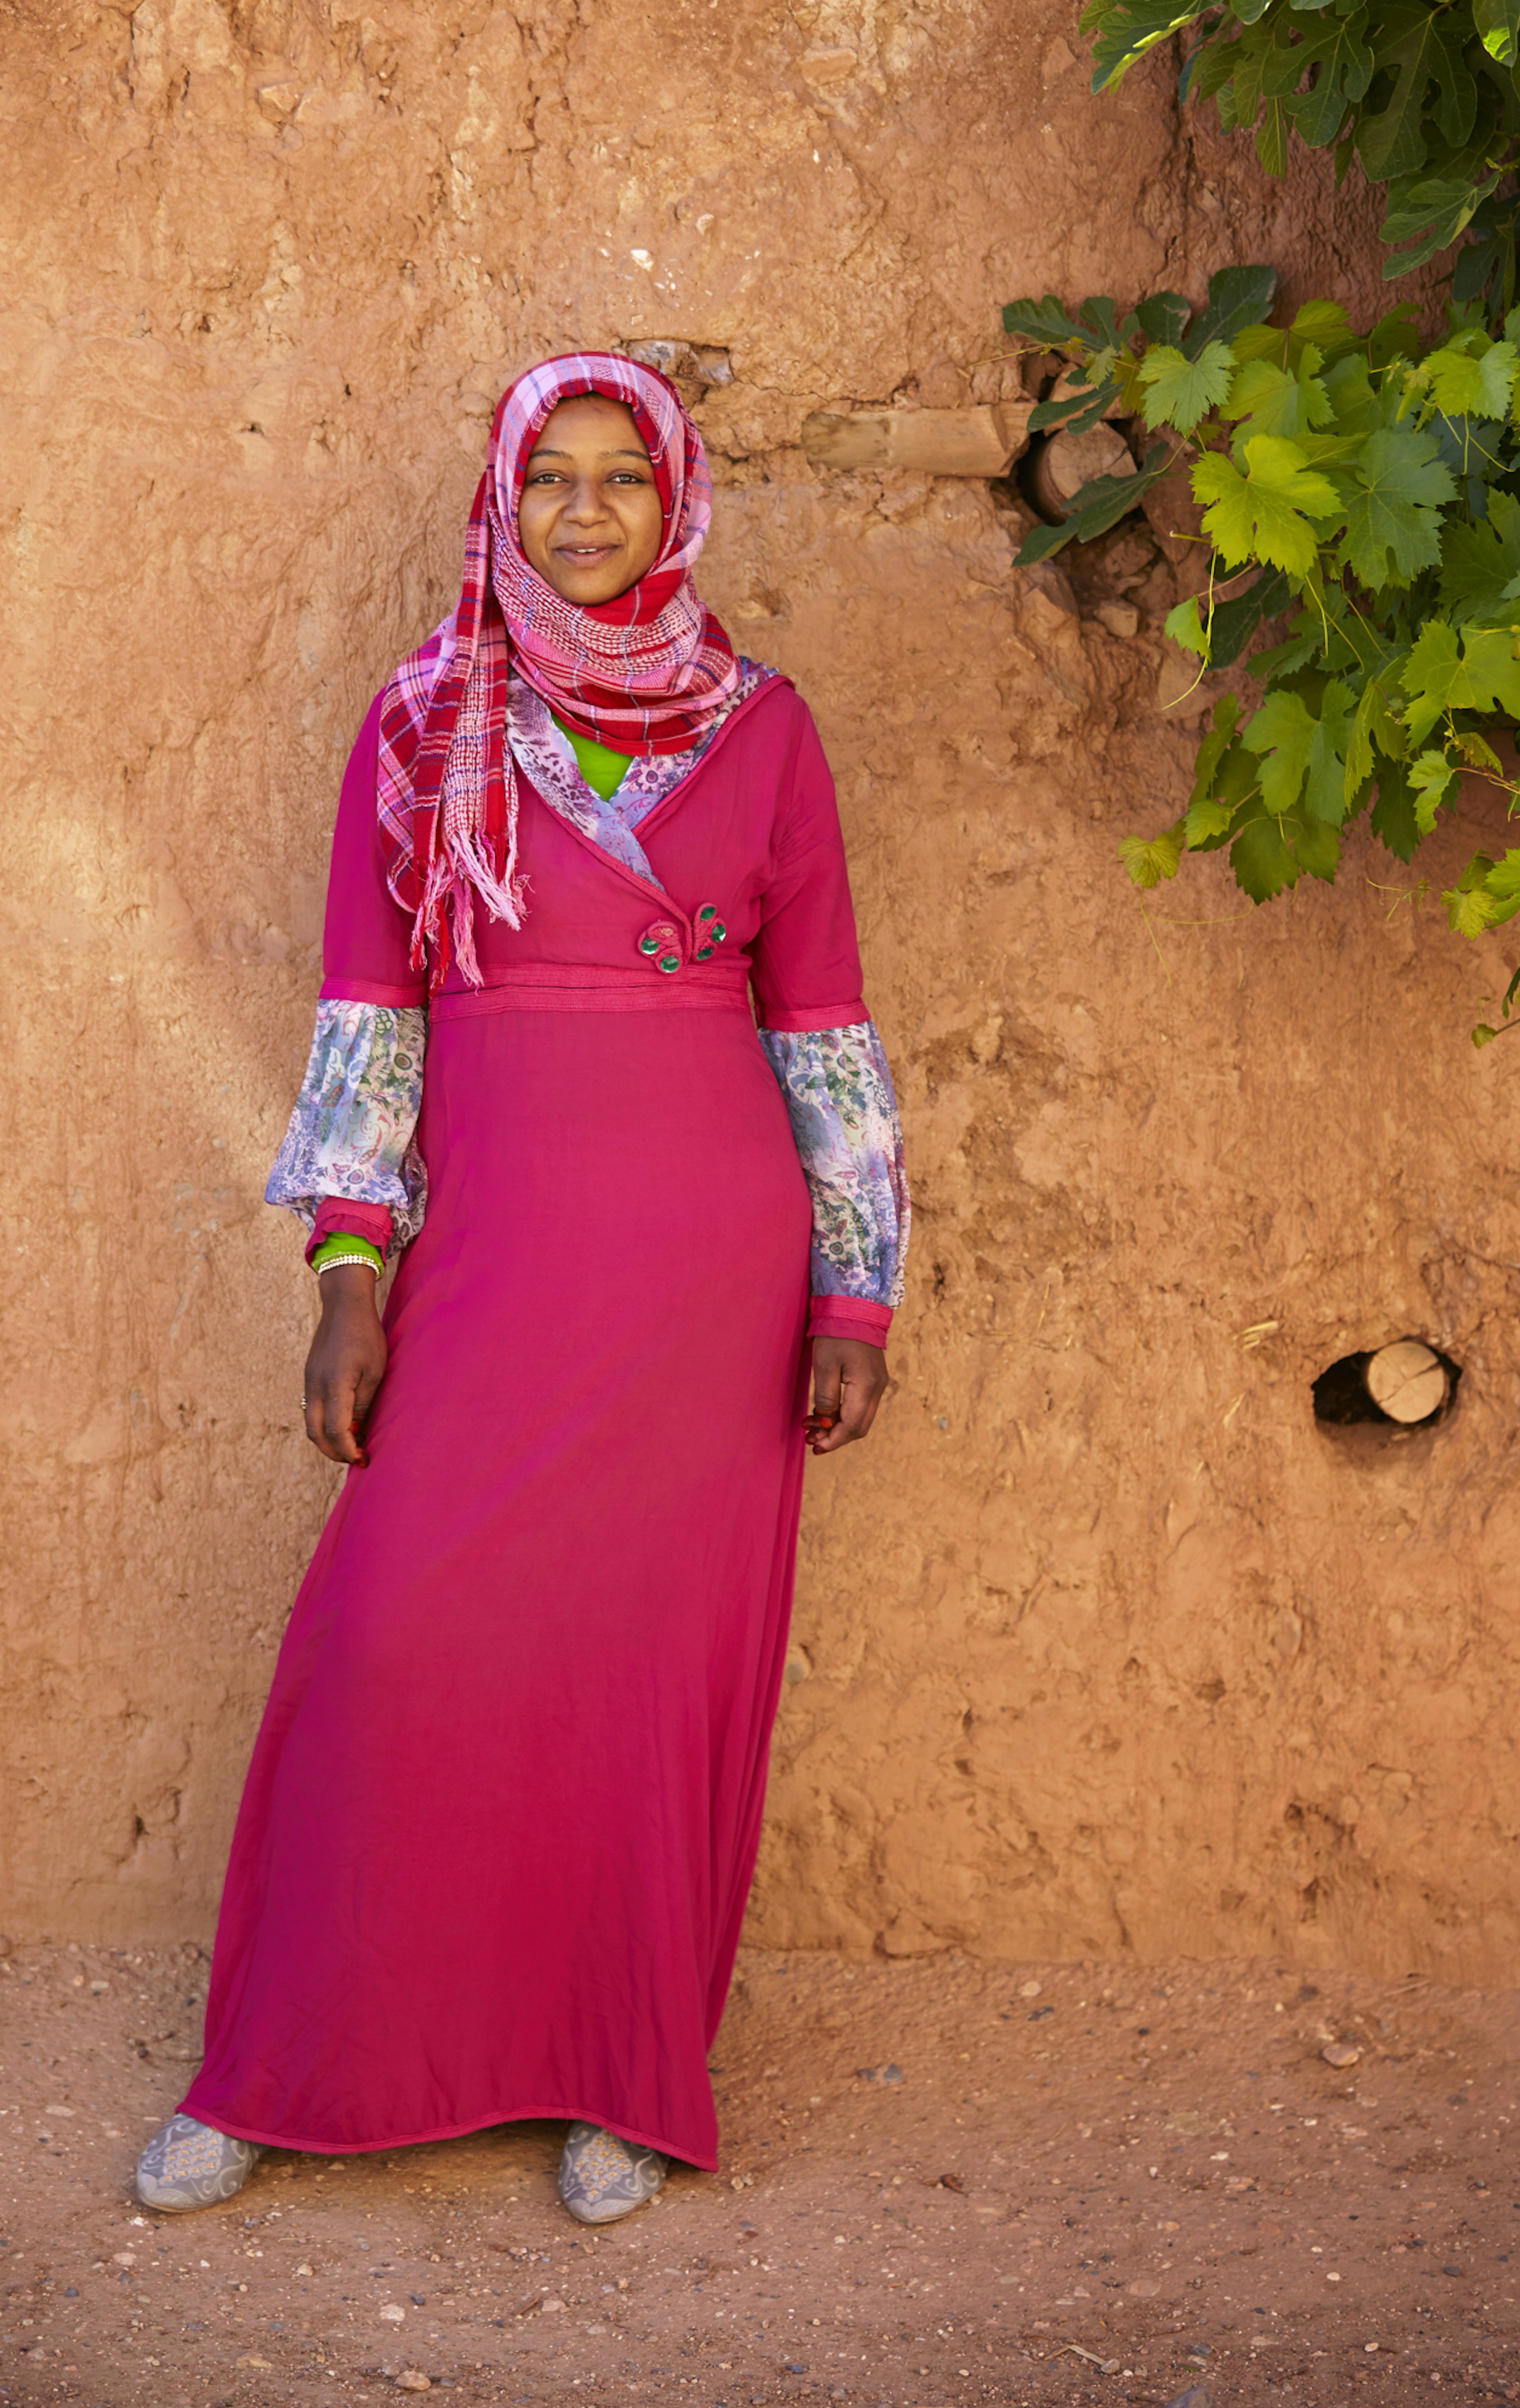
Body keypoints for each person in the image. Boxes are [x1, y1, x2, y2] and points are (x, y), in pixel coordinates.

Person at [133, 352, 908, 2225]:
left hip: (708, 1278)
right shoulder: (421, 724)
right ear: (503, 499)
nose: (581, 510)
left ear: (676, 503)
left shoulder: (766, 729)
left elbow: (819, 1027)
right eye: (548, 476)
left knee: (642, 1680)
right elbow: (366, 1020)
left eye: (617, 479)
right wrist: (346, 1274)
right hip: (490, 1253)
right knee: (383, 1639)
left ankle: (619, 2076)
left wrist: (853, 1292)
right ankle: (278, 2069)